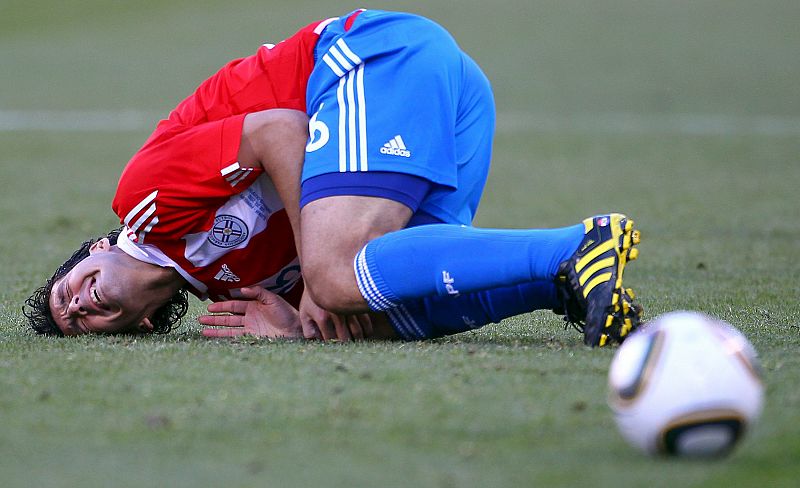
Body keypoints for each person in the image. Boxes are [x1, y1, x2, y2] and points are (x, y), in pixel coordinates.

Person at [24, 9, 642, 346]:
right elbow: (334, 314)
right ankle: (561, 285)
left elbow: (279, 132)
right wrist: (299, 325)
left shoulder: (143, 204)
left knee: (335, 274)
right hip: (454, 97)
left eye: (68, 290)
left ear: (95, 251)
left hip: (372, 58)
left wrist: (320, 278)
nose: (79, 303)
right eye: (82, 319)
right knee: (377, 316)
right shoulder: (225, 291)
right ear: (143, 325)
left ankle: (576, 244)